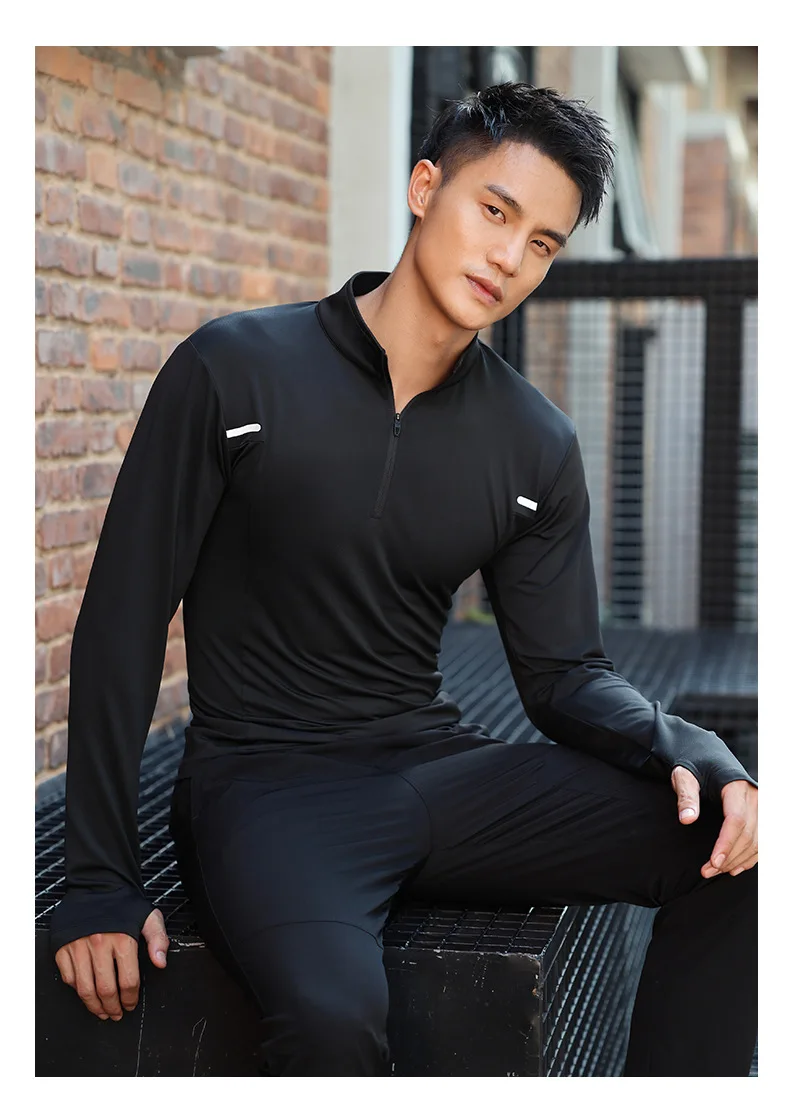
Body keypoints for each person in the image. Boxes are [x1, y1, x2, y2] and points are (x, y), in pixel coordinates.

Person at [50, 83, 758, 1077]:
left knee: (741, 845)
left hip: (435, 771)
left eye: (541, 244)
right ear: (426, 187)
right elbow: (121, 624)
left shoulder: (534, 443)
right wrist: (97, 878)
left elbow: (563, 674)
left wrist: (690, 748)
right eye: (494, 210)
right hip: (265, 786)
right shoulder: (233, 369)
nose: (508, 258)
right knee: (335, 1019)